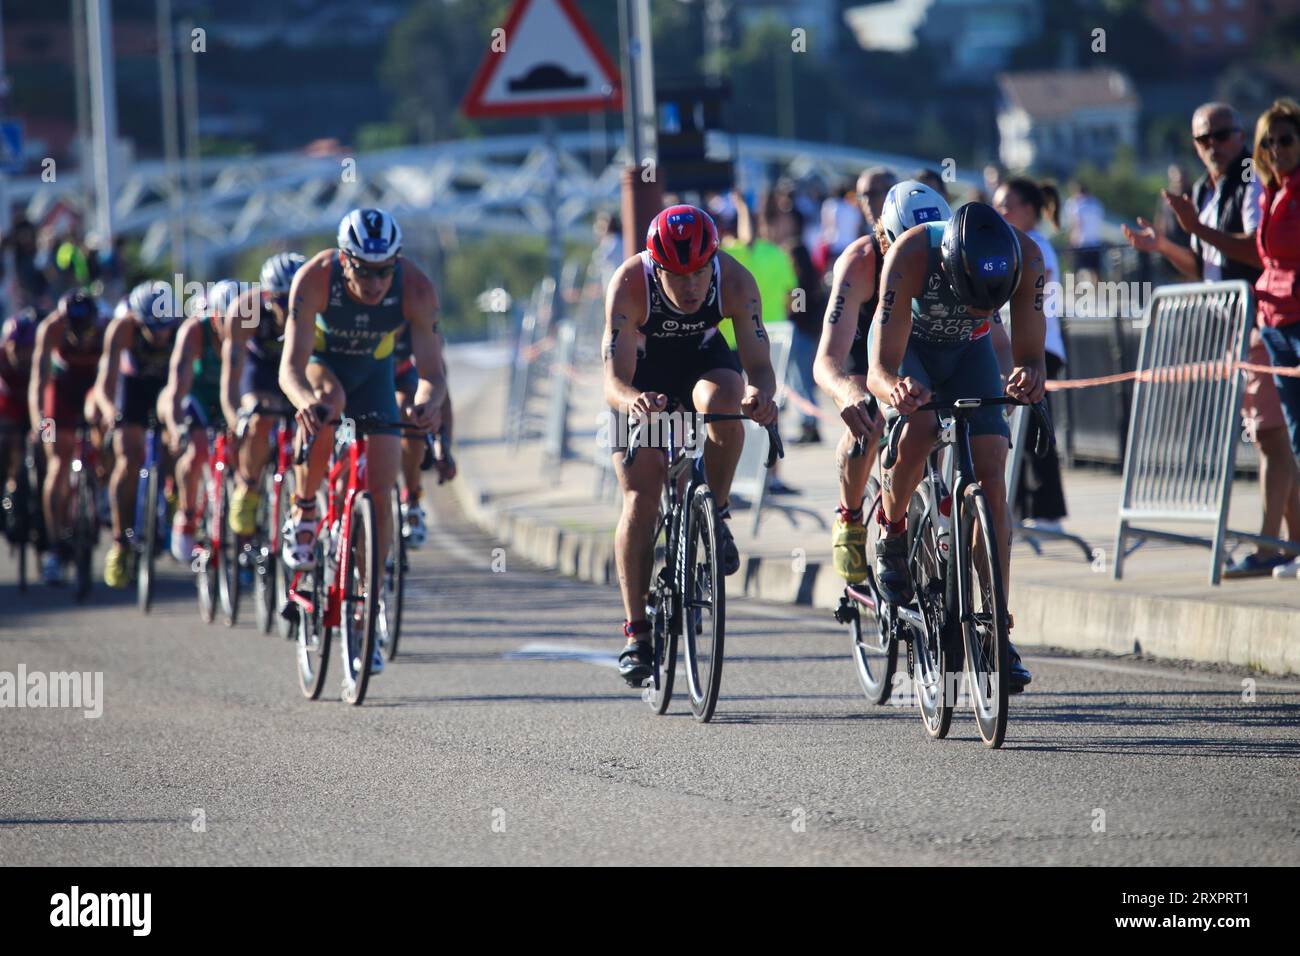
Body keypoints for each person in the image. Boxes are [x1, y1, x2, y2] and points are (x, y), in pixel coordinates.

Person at [864, 202, 1046, 693]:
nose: (979, 312)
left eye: (990, 307)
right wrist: (895, 389)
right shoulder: (911, 254)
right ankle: (893, 528)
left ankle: (997, 632)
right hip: (912, 352)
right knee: (920, 429)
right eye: (973, 303)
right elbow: (879, 367)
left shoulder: (1027, 257)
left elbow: (1032, 357)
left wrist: (1028, 375)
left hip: (971, 353)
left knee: (992, 470)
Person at [603, 204, 778, 685]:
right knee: (641, 493)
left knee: (727, 409)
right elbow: (613, 380)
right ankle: (637, 632)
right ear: (656, 266)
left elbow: (758, 366)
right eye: (678, 276)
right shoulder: (629, 283)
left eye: (700, 272)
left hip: (702, 362)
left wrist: (760, 394)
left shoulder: (736, 282)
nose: (691, 285)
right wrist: (635, 401)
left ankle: (715, 510)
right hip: (643, 380)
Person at [1121, 101, 1294, 579]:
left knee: (1270, 436)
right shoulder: (1204, 189)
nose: (1215, 146)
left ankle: (1272, 544)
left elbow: (1257, 252)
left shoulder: (1251, 180)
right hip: (1235, 328)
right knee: (1272, 436)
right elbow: (1206, 266)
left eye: (1223, 135)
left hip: (1262, 322)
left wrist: (1198, 229)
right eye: (1204, 139)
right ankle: (1286, 544)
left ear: (1241, 136)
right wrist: (1167, 245)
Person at [279, 208, 446, 675]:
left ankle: (365, 613)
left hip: (374, 374)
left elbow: (432, 373)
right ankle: (305, 509)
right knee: (326, 404)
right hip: (324, 366)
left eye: (383, 271)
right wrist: (303, 402)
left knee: (380, 485)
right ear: (344, 259)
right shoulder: (314, 277)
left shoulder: (415, 288)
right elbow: (290, 365)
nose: (374, 283)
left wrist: (427, 404)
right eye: (363, 271)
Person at [816, 180, 951, 584]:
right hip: (866, 346)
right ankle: (851, 514)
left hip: (920, 343)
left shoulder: (945, 249)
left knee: (938, 427)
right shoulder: (859, 262)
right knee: (869, 425)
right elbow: (826, 358)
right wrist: (847, 393)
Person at [91, 281, 183, 588]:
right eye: (151, 328)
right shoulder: (122, 329)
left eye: (164, 327)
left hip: (167, 388)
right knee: (128, 460)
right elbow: (106, 383)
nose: (159, 335)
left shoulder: (181, 327)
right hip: (133, 389)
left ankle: (171, 495)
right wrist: (109, 414)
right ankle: (120, 542)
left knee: (177, 441)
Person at [994, 177, 1070, 533]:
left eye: (1006, 205)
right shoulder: (1013, 245)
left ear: (1028, 210)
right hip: (1020, 350)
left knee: (1038, 430)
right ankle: (1026, 510)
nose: (999, 212)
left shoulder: (1035, 247)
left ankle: (1049, 513)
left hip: (1040, 350)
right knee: (1020, 432)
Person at [223, 253, 305, 542]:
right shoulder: (246, 311)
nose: (289, 307)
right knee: (260, 420)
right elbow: (231, 381)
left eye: (296, 298)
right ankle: (247, 488)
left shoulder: (316, 307)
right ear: (268, 297)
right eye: (282, 300)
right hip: (259, 371)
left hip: (297, 367)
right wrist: (237, 418)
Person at [28, 291, 108, 584]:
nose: (79, 338)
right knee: (57, 465)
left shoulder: (105, 329)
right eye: (74, 331)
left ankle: (100, 489)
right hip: (59, 393)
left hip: (92, 389)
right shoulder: (51, 328)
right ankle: (54, 544)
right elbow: (39, 380)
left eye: (85, 330)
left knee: (110, 430)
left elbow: (112, 380)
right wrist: (40, 424)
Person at [1252, 98, 1300, 579]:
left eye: (1286, 139)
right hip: (1277, 325)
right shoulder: (1273, 192)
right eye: (1269, 142)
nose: (1278, 148)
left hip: (1298, 320)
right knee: (1295, 433)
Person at [159, 280, 239, 564]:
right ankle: (187, 514)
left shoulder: (250, 331)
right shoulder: (194, 331)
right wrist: (177, 428)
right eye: (226, 320)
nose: (233, 328)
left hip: (233, 398)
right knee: (198, 450)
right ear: (214, 316)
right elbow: (176, 389)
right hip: (198, 399)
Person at [1065, 181, 1105, 280]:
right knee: (1095, 271)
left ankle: (1073, 293)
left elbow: (1077, 224)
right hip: (1095, 241)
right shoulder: (1096, 204)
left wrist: (1071, 241)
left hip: (1081, 243)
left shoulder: (1077, 205)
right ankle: (1098, 292)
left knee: (1075, 270)